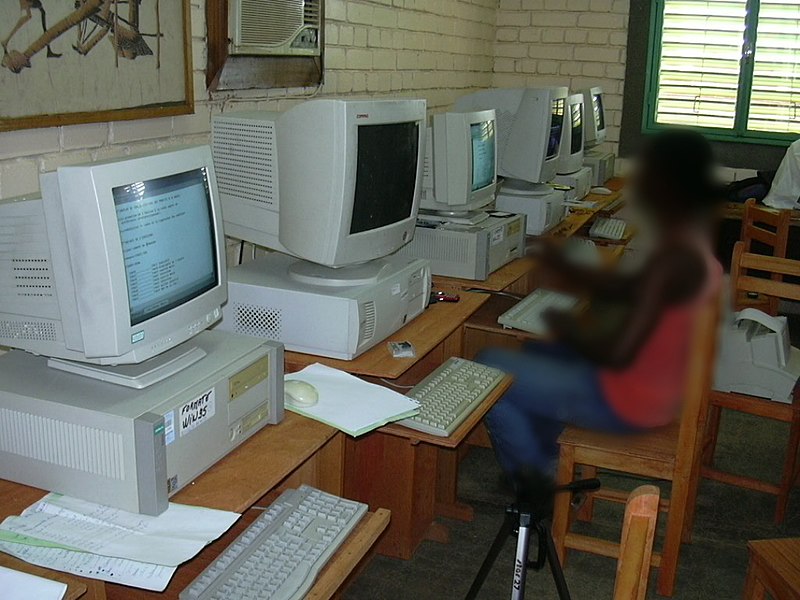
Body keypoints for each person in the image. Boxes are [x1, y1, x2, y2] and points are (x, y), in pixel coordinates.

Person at [478, 129, 724, 484]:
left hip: (627, 401)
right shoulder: (692, 251)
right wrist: (568, 268)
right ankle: (550, 454)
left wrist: (570, 328)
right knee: (539, 351)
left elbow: (618, 351)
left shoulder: (675, 261)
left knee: (489, 369)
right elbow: (629, 288)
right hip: (657, 389)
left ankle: (542, 482)